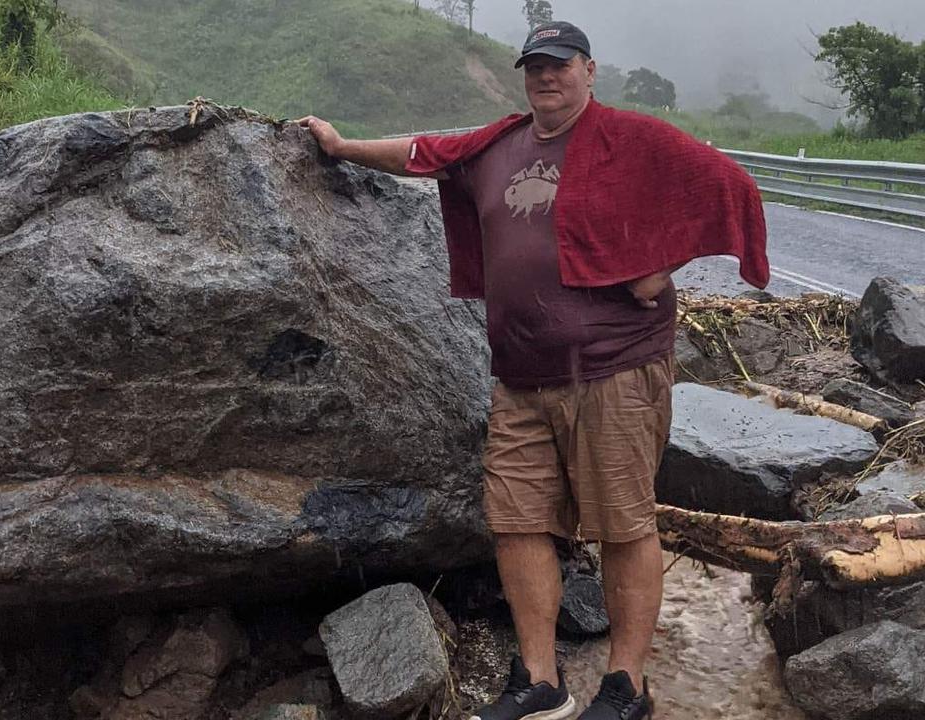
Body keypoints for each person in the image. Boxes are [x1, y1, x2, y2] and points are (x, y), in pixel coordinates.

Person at [298, 20, 768, 720]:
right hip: (519, 377)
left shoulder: (630, 138)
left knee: (624, 525)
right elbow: (422, 152)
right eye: (535, 66)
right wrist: (339, 146)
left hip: (611, 370)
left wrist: (664, 266)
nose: (547, 77)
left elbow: (730, 186)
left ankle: (626, 687)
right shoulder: (499, 143)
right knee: (516, 523)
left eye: (561, 65)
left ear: (589, 70)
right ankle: (542, 679)